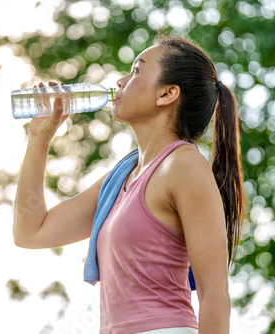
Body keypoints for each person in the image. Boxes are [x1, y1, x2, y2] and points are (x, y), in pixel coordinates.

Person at [13, 35, 245, 334]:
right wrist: (38, 139)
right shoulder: (121, 178)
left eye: (136, 70)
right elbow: (31, 231)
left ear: (167, 94)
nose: (121, 82)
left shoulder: (184, 165)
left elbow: (214, 294)